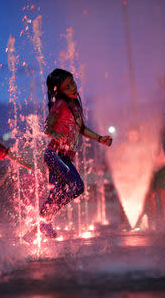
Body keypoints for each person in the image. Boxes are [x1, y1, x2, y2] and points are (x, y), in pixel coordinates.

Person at [23, 68, 112, 242]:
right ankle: (42, 223)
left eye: (72, 82)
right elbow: (47, 127)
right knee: (77, 186)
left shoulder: (75, 105)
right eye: (67, 86)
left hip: (64, 157)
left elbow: (82, 129)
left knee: (55, 193)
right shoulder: (60, 104)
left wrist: (100, 138)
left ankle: (39, 228)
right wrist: (55, 135)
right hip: (55, 154)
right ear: (59, 90)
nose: (72, 87)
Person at [145, 138, 165, 230]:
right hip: (150, 170)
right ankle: (153, 218)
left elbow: (155, 153)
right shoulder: (142, 143)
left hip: (162, 168)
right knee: (150, 194)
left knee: (160, 190)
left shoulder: (155, 140)